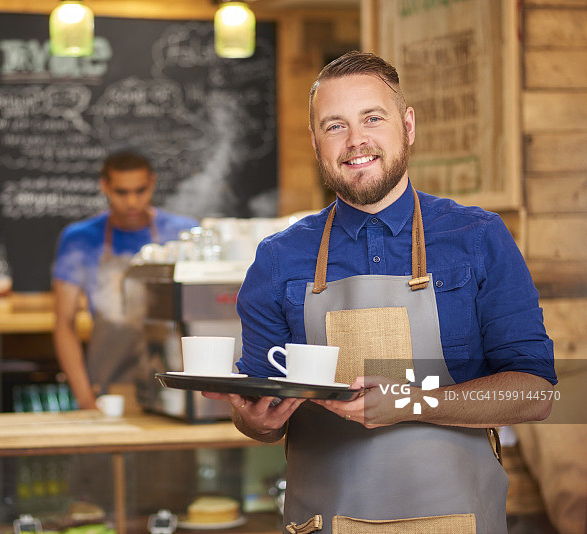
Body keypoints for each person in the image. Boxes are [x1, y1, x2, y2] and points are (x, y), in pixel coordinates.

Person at [203, 51, 556, 533]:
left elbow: (535, 394)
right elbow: (261, 411)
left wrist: (412, 403)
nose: (356, 141)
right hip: (324, 521)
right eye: (334, 126)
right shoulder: (278, 258)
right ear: (315, 142)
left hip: (458, 520)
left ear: (407, 125)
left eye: (372, 118)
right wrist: (256, 423)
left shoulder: (477, 238)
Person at [53, 150, 198, 410]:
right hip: (110, 384)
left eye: (140, 190)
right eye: (121, 192)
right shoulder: (80, 239)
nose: (132, 202)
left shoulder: (182, 233)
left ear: (152, 183)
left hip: (173, 382)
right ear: (105, 187)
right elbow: (64, 324)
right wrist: (85, 399)